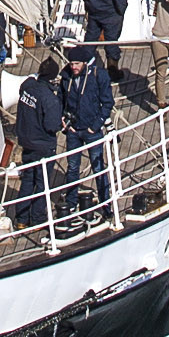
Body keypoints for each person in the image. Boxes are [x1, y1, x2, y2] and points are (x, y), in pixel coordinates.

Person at [60, 45, 113, 220]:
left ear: (84, 63)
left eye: (76, 63)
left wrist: (95, 126)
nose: (73, 67)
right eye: (71, 63)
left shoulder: (99, 75)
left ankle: (106, 205)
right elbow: (61, 100)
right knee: (73, 168)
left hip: (91, 130)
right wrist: (63, 120)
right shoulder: (66, 76)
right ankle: (71, 204)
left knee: (98, 167)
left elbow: (107, 103)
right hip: (73, 130)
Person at [12, 49, 62, 229]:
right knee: (42, 183)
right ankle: (39, 219)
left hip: (26, 143)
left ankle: (21, 219)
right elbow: (52, 125)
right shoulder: (49, 99)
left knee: (27, 181)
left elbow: (29, 81)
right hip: (43, 146)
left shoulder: (27, 87)